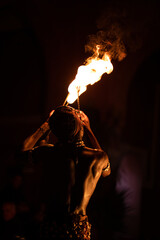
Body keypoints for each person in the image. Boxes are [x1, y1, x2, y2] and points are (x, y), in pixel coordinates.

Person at [21, 105, 111, 240]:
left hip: (51, 227)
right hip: (78, 230)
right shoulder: (97, 157)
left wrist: (45, 126)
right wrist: (88, 129)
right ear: (79, 127)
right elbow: (106, 172)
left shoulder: (48, 153)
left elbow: (23, 151)